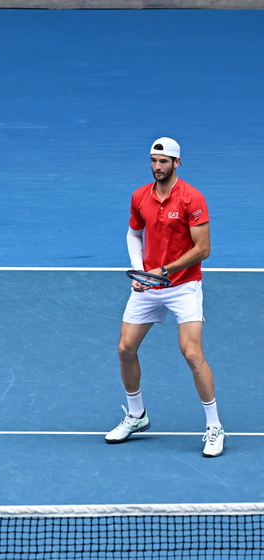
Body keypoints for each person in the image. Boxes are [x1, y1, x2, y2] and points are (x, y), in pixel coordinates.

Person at [105, 137, 225, 457]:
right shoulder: (139, 196)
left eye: (164, 161)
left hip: (184, 286)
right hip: (151, 286)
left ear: (176, 163)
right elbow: (134, 232)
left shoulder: (192, 198)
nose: (157, 166)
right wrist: (141, 272)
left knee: (191, 354)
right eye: (153, 161)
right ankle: (136, 416)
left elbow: (204, 249)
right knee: (125, 348)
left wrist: (163, 271)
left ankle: (214, 426)